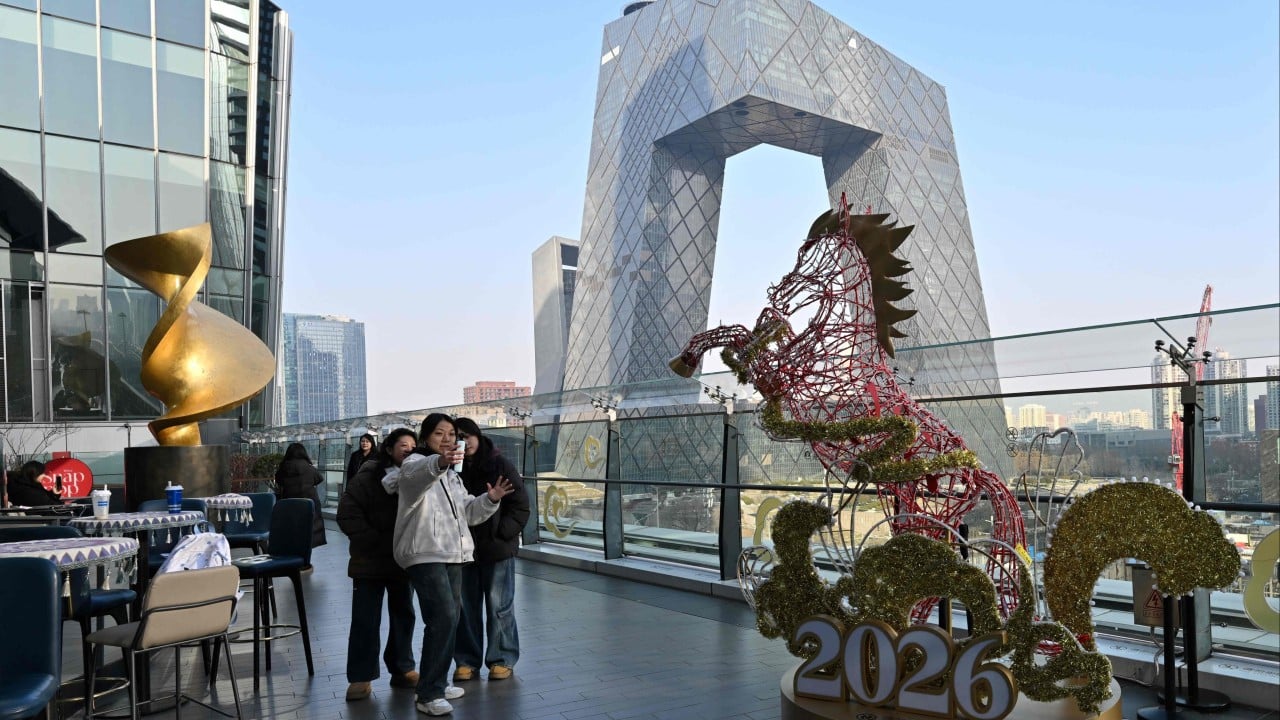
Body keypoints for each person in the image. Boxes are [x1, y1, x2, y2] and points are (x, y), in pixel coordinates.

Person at [385, 413, 513, 716]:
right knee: (442, 617)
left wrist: (491, 498)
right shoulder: (415, 464)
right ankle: (428, 693)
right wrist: (441, 462)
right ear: (426, 437)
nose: (447, 438)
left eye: (451, 433)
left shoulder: (453, 477)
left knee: (450, 618)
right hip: (425, 552)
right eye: (439, 433)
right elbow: (419, 476)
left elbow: (468, 512)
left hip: (453, 553)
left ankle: (437, 683)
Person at [337, 429, 420, 701]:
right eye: (402, 445)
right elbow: (346, 513)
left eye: (412, 445)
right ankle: (361, 677)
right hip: (369, 560)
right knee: (365, 619)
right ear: (388, 449)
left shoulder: (415, 476)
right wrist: (372, 540)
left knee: (403, 615)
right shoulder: (369, 474)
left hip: (400, 560)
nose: (408, 449)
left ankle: (403, 668)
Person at [450, 417, 529, 683]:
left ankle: (502, 658)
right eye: (457, 436)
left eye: (467, 435)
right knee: (465, 608)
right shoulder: (450, 469)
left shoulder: (499, 464)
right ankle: (466, 661)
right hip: (463, 550)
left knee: (499, 606)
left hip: (496, 550)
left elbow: (520, 505)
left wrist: (502, 533)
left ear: (477, 435)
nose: (464, 441)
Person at [274, 443, 328, 548]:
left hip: (289, 502)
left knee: (292, 531)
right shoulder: (308, 467)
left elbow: (279, 480)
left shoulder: (284, 466)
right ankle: (306, 558)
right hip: (309, 501)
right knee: (309, 531)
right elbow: (319, 478)